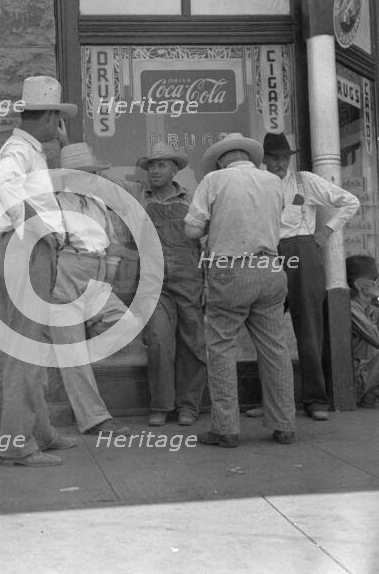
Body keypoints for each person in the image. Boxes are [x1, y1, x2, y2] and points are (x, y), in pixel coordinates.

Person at [184, 132, 296, 447]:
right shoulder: (273, 181)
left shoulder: (214, 180)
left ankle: (226, 428)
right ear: (247, 155)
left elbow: (191, 228)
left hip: (229, 270)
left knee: (220, 348)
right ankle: (285, 424)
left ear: (221, 158)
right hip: (270, 270)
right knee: (275, 348)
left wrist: (211, 226)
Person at [0, 75, 78, 467]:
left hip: (28, 248)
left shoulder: (29, 149)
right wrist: (40, 228)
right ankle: (15, 442)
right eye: (56, 119)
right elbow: (4, 186)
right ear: (49, 118)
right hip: (25, 249)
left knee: (30, 344)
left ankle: (39, 430)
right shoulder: (17, 150)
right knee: (24, 348)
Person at [246, 132, 359, 421]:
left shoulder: (305, 181)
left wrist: (325, 232)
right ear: (264, 159)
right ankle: (270, 401)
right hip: (268, 254)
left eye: (284, 158)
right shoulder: (255, 184)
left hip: (302, 250)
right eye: (274, 158)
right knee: (265, 328)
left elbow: (350, 202)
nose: (280, 163)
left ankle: (315, 399)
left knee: (309, 328)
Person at [51, 143, 133, 437]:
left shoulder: (98, 205)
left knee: (124, 322)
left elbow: (111, 246)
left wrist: (106, 281)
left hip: (96, 274)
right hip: (67, 271)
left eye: (90, 173)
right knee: (73, 355)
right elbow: (48, 249)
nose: (88, 179)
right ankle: (95, 419)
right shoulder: (55, 204)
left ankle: (87, 325)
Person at [136, 143, 207, 427]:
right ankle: (161, 405)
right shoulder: (139, 200)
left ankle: (189, 406)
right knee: (158, 341)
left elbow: (203, 243)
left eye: (161, 165)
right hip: (154, 282)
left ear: (175, 169)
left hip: (188, 277)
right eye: (151, 165)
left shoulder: (191, 201)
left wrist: (208, 281)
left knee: (193, 341)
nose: (155, 170)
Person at [345, 255, 379, 409]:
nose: (377, 284)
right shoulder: (351, 308)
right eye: (374, 280)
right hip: (355, 380)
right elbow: (376, 338)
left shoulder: (371, 309)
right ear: (360, 285)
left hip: (367, 374)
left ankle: (370, 397)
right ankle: (367, 395)